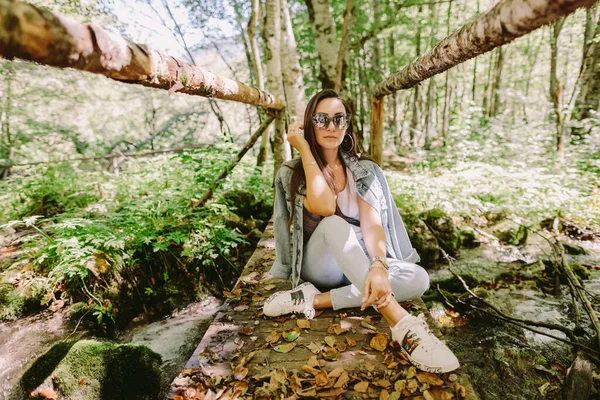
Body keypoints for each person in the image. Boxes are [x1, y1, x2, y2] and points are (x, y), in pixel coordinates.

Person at [263, 89, 459, 374]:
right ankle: (402, 325)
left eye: (339, 119)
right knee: (334, 224)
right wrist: (304, 149)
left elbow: (371, 224)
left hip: (358, 261)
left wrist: (378, 266)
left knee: (418, 278)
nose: (331, 126)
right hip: (321, 265)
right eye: (321, 119)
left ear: (347, 126)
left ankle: (312, 299)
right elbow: (325, 207)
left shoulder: (365, 169)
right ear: (309, 124)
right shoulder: (293, 172)